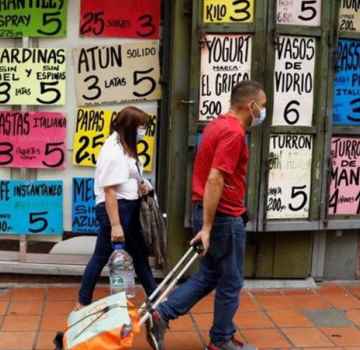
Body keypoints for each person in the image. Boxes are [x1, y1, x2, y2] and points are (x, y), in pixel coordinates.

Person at [146, 80, 266, 350]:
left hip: (207, 211)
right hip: (222, 217)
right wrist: (209, 228)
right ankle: (221, 340)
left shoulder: (215, 125)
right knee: (230, 281)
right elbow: (215, 178)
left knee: (209, 274)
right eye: (263, 106)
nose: (263, 112)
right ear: (252, 105)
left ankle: (161, 314)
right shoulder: (234, 133)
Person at [75, 106, 158, 311]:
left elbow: (125, 178)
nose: (143, 131)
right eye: (141, 126)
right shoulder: (115, 150)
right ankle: (82, 302)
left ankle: (154, 296)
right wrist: (116, 225)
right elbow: (109, 190)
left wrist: (142, 185)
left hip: (126, 207)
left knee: (138, 254)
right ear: (130, 127)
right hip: (117, 210)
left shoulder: (123, 144)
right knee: (101, 256)